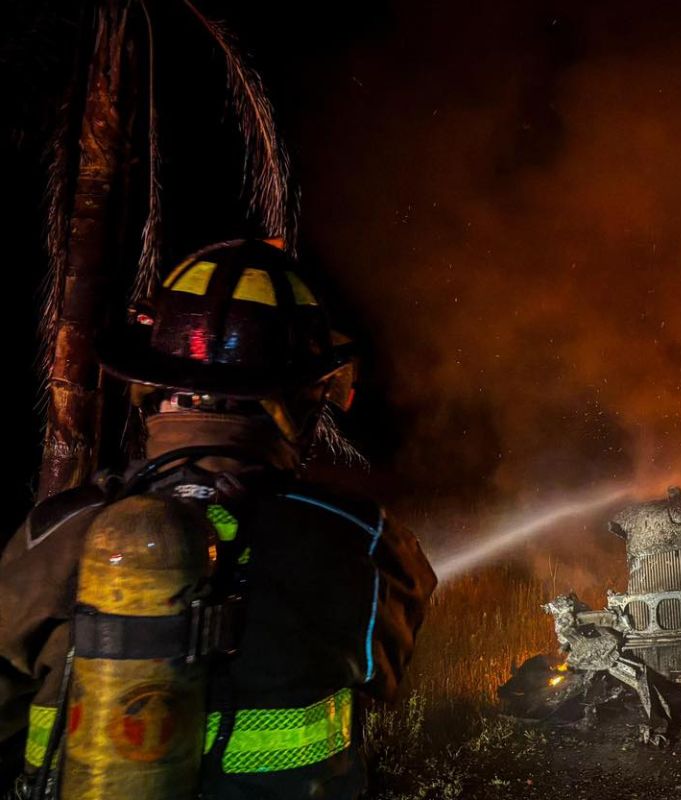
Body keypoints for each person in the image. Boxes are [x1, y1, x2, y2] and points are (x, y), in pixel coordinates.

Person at [0, 239, 436, 799]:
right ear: (299, 402)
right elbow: (387, 664)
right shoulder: (359, 540)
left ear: (148, 386)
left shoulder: (55, 533)